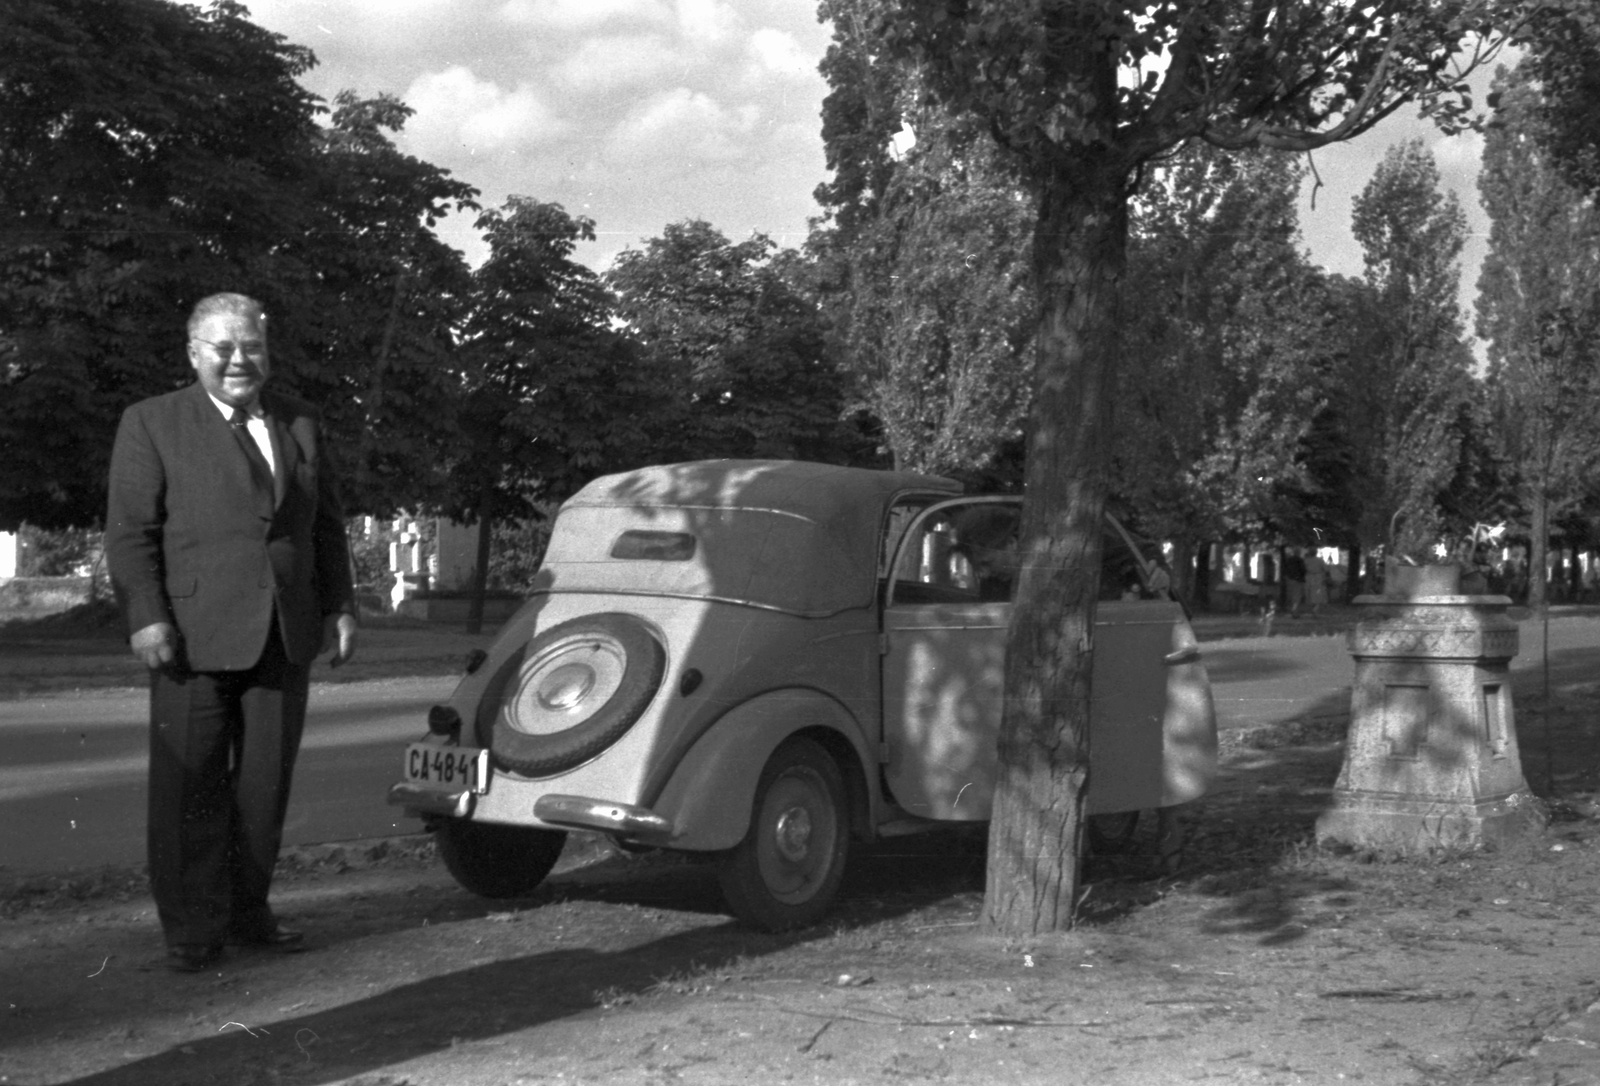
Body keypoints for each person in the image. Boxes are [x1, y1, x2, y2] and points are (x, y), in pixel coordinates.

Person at [105, 293, 358, 973]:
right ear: (194, 354)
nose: (240, 360)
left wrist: (339, 606)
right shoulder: (152, 422)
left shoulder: (301, 421)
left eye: (253, 347)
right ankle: (193, 929)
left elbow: (325, 526)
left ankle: (249, 912)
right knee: (187, 789)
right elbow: (129, 534)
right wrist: (146, 615)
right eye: (223, 348)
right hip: (190, 635)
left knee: (264, 789)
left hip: (285, 632)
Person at [1282, 546, 1307, 616]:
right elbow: (1303, 570)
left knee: (1292, 595)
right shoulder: (1300, 560)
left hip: (1290, 579)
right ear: (1299, 553)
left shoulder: (1289, 560)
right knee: (1297, 596)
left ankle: (1293, 609)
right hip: (1298, 579)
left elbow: (1286, 569)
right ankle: (1294, 610)